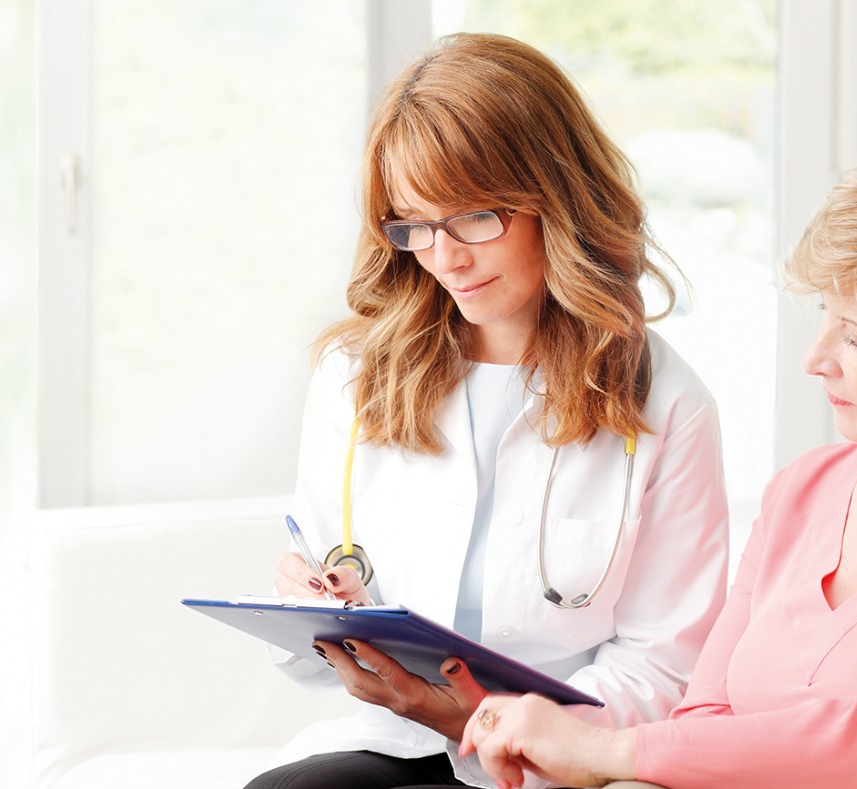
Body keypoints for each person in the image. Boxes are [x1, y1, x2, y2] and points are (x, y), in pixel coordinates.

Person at [459, 146, 857, 789]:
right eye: (825, 319)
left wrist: (609, 751)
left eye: (856, 337)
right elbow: (705, 715)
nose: (817, 359)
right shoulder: (807, 489)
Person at [245, 32, 730, 789]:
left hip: (559, 762)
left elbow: (666, 666)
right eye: (414, 225)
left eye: (474, 216)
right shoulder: (355, 375)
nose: (445, 257)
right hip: (393, 741)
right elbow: (322, 582)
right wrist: (311, 602)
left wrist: (487, 720)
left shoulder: (667, 405)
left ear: (557, 196)